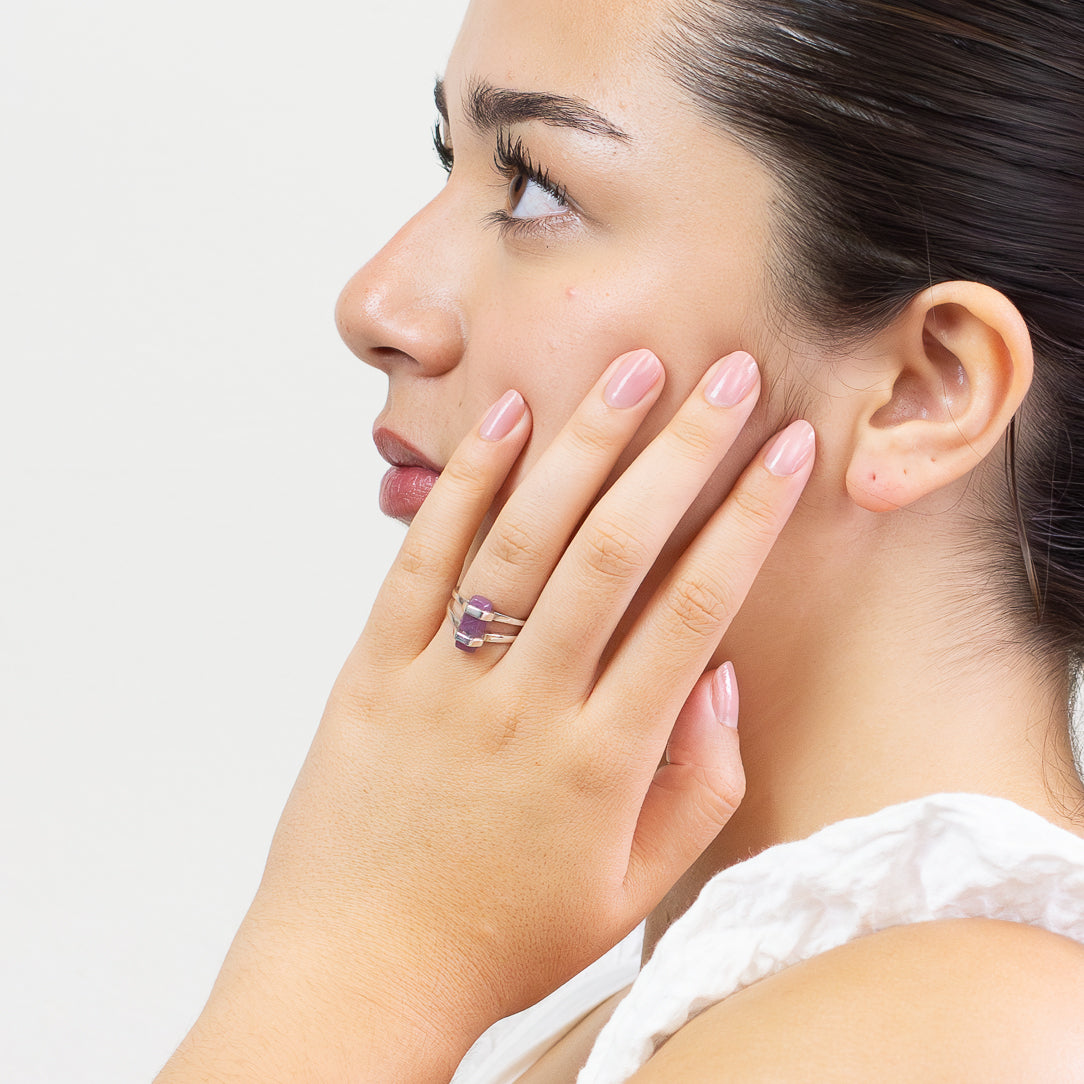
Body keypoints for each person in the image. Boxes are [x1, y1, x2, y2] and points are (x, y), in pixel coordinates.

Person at [155, 0, 1084, 1080]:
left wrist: (357, 963)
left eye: (535, 188)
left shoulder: (953, 1035)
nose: (375, 305)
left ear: (924, 388)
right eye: (450, 157)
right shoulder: (699, 1017)